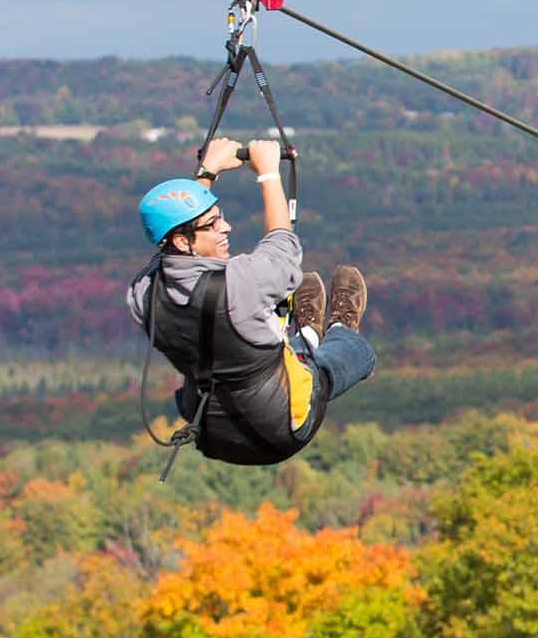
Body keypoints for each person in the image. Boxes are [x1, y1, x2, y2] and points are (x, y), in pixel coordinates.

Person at [128, 136, 376, 466]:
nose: (225, 226)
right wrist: (268, 174)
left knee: (241, 334)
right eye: (213, 224)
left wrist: (207, 172)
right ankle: (334, 329)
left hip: (211, 432)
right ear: (181, 239)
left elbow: (175, 242)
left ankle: (305, 337)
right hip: (279, 428)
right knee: (347, 357)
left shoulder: (142, 293)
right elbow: (283, 252)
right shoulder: (238, 285)